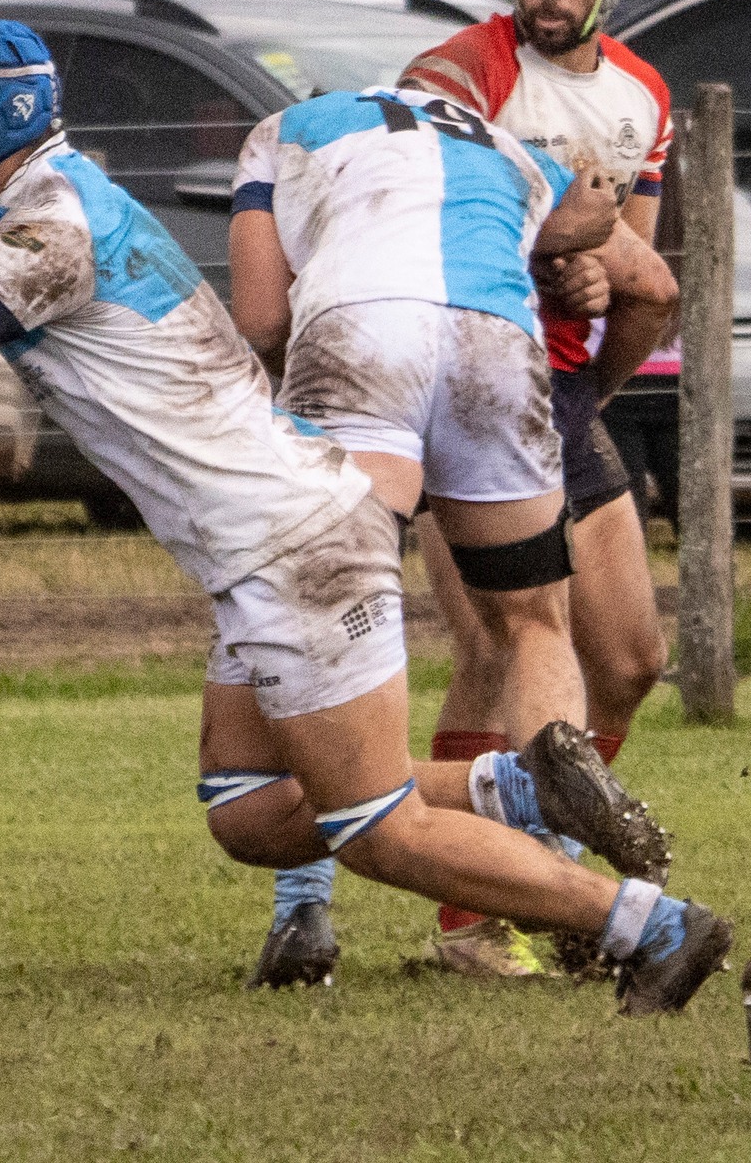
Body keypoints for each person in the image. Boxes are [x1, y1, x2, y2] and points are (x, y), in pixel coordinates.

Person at [0, 19, 731, 1018]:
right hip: (277, 529)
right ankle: (518, 777)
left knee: (374, 827)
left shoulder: (49, 239)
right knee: (247, 810)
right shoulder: (45, 199)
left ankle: (649, 926)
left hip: (291, 540)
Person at [259, 0, 684, 980]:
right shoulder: (463, 66)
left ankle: (555, 853)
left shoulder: (642, 95)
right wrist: (555, 252)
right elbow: (425, 167)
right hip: (451, 370)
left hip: (550, 388)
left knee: (631, 659)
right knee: (500, 643)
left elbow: (630, 262)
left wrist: (593, 336)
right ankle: (476, 914)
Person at [225, 83, 646, 986]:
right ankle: (555, 861)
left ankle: (302, 909)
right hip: (494, 340)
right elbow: (609, 239)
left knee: (316, 615)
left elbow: (261, 317)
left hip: (360, 336)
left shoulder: (279, 134)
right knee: (534, 622)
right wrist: (571, 259)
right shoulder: (503, 142)